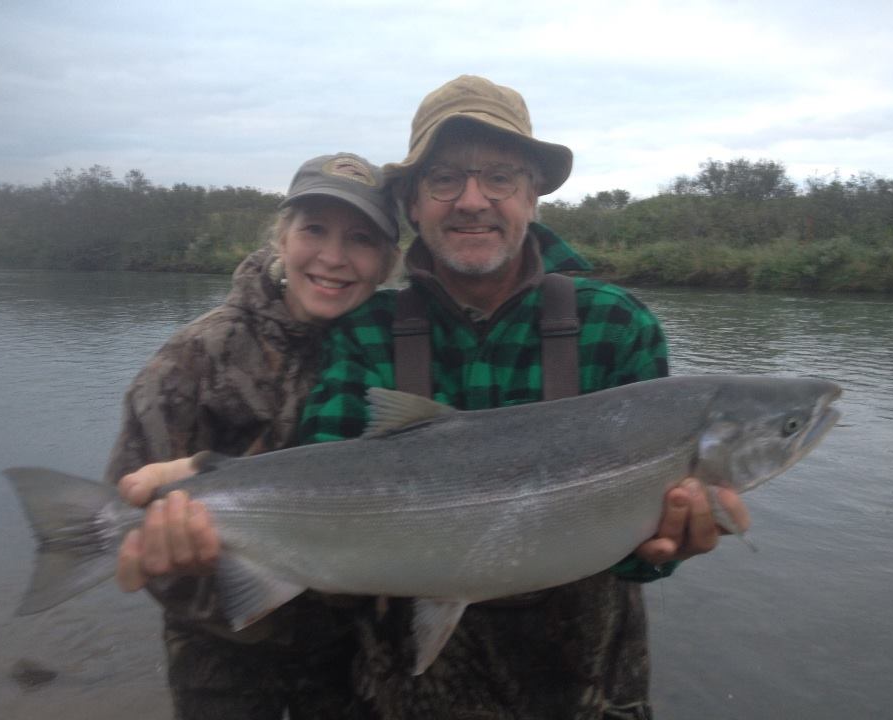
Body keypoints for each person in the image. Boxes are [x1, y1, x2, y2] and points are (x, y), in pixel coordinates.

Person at [295, 75, 749, 719]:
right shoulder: (365, 331)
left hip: (585, 693)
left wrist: (664, 552)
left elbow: (640, 556)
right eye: (444, 178)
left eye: (500, 177)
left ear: (534, 194)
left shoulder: (617, 326)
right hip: (402, 692)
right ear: (413, 202)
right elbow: (313, 496)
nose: (472, 200)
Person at [105, 152, 400, 719]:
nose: (334, 258)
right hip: (223, 655)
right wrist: (188, 562)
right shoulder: (194, 358)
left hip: (351, 652)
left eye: (360, 238)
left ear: (386, 263)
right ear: (282, 239)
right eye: (315, 229)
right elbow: (129, 511)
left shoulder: (393, 353)